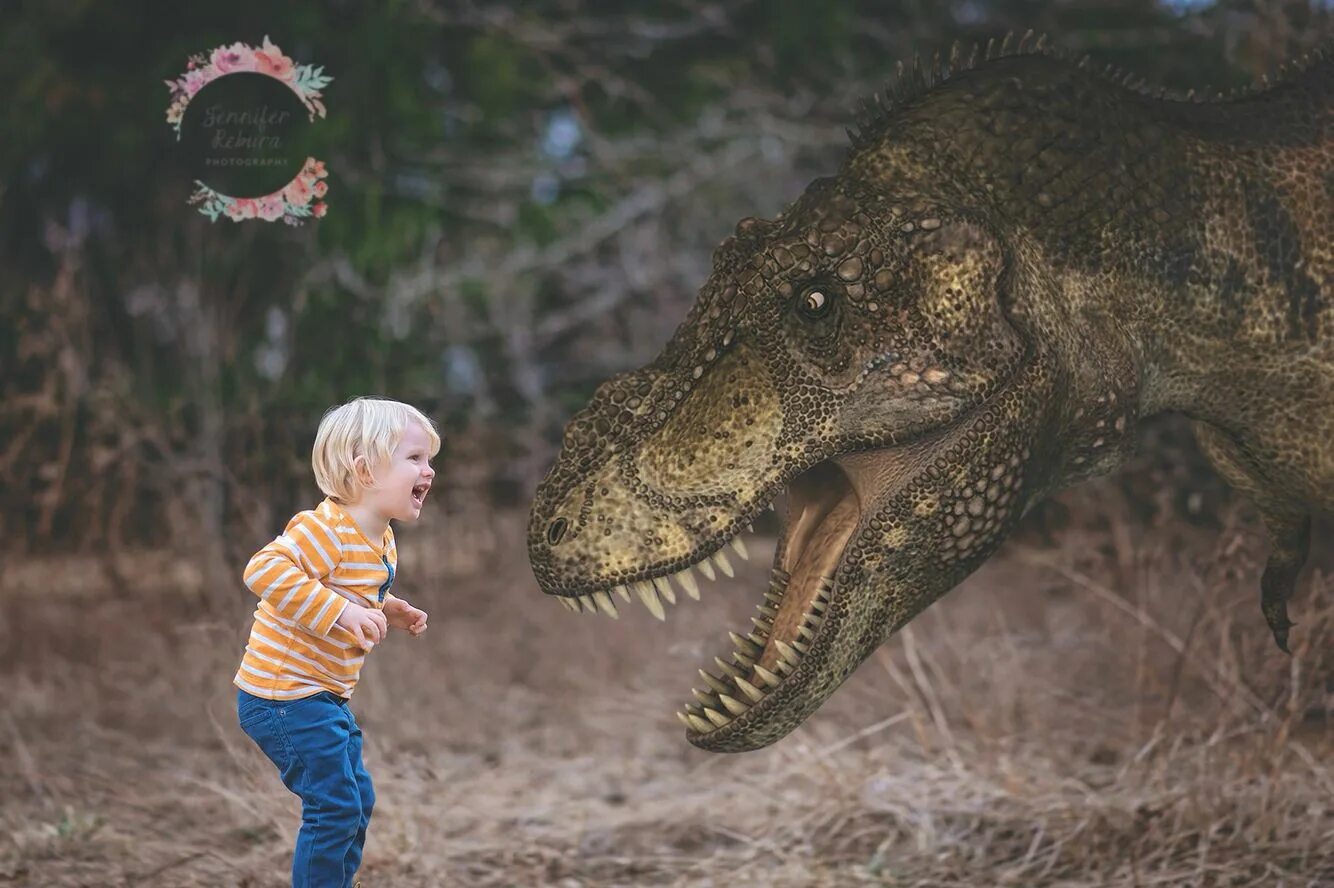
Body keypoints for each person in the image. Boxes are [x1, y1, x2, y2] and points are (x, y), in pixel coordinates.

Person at [234, 396, 438, 888]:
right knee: (334, 806)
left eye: (430, 459)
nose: (429, 471)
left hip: (321, 696)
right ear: (365, 471)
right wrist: (342, 613)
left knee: (355, 801)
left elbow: (353, 587)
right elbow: (262, 569)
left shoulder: (379, 538)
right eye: (414, 458)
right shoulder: (326, 528)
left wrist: (390, 606)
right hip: (283, 695)